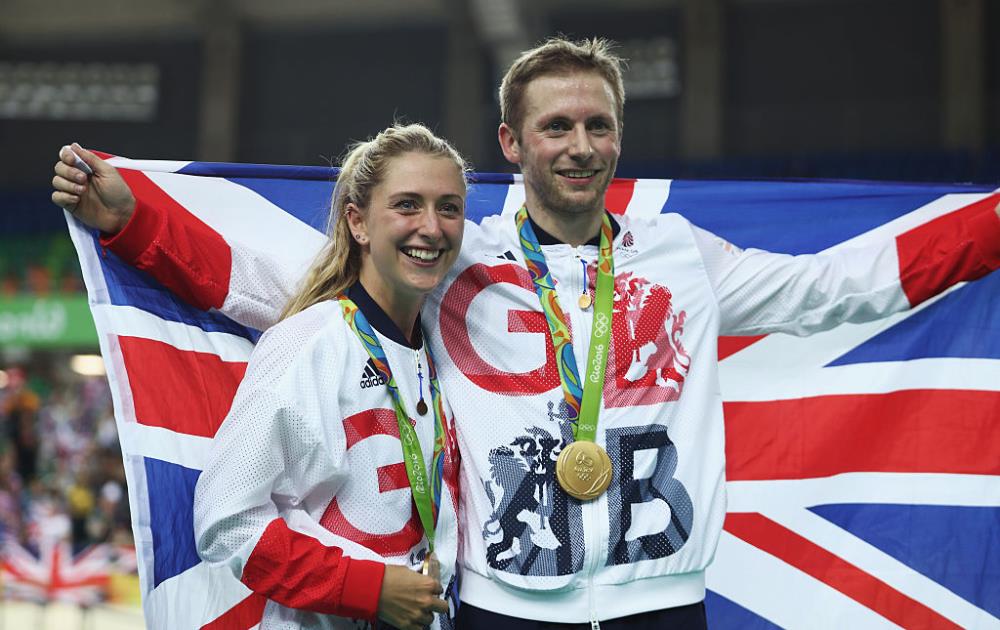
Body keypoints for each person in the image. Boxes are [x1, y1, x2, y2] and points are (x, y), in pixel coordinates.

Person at [53, 38, 1000, 629]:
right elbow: (280, 289)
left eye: (597, 125)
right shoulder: (459, 256)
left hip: (660, 608)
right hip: (504, 614)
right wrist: (132, 223)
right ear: (513, 144)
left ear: (620, 139)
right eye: (555, 127)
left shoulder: (683, 261)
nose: (578, 144)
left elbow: (843, 285)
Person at [56, 124, 469, 629]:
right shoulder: (309, 341)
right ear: (358, 224)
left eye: (449, 207)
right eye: (407, 204)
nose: (432, 226)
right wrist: (369, 589)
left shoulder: (452, 342)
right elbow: (226, 521)